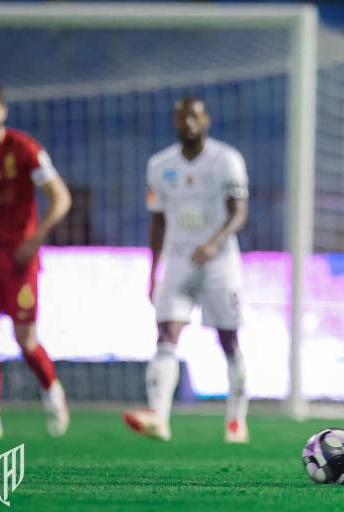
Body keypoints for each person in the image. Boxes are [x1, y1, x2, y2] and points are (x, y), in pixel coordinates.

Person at [123, 96, 250, 443]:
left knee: (229, 340)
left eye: (194, 116)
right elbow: (158, 221)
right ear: (175, 122)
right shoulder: (159, 165)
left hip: (219, 262)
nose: (188, 123)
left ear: (206, 120)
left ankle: (236, 420)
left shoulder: (227, 160)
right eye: (181, 117)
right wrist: (153, 269)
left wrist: (214, 242)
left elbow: (239, 212)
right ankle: (159, 418)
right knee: (166, 334)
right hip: (179, 261)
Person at [0, 80, 72, 439]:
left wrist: (35, 239)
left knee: (25, 338)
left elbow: (60, 197)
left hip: (18, 261)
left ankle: (52, 391)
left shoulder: (24, 150)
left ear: (2, 112)